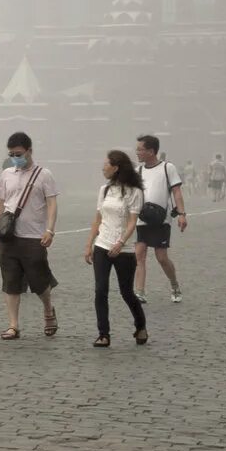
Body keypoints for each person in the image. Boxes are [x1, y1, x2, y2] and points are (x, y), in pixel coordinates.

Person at [0, 131, 60, 340]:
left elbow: (51, 203)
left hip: (34, 237)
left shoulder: (44, 174)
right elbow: (0, 203)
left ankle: (48, 310)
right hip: (9, 237)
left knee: (39, 281)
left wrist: (49, 230)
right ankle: (13, 325)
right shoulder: (6, 174)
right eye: (12, 154)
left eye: (19, 153)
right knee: (10, 281)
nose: (16, 157)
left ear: (29, 151)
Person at [83, 150, 149, 348]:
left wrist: (120, 243)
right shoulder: (104, 190)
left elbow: (132, 222)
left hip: (125, 249)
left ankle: (140, 325)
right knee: (100, 290)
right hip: (102, 245)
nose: (103, 167)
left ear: (117, 167)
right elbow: (97, 219)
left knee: (126, 292)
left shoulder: (135, 192)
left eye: (106, 164)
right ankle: (103, 334)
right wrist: (89, 244)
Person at [133, 135, 187, 304]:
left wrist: (182, 214)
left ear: (151, 151)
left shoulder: (167, 168)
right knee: (139, 254)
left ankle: (174, 284)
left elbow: (177, 192)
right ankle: (139, 292)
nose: (137, 152)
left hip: (161, 220)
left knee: (161, 257)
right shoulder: (138, 171)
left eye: (140, 149)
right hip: (142, 218)